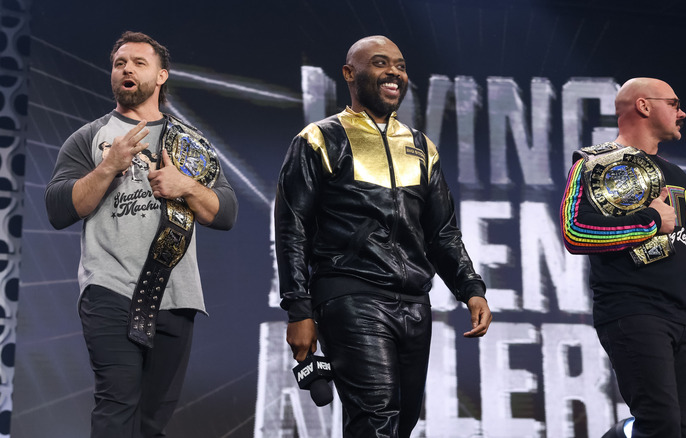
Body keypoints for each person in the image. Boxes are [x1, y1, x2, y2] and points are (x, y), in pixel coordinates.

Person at [275, 35, 492, 438]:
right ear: (349, 74)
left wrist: (471, 287)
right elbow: (292, 228)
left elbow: (442, 231)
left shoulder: (421, 146)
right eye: (379, 63)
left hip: (414, 304)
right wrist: (298, 309)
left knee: (400, 424)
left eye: (400, 65)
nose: (394, 72)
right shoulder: (319, 139)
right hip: (351, 296)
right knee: (375, 422)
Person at [45, 31, 237, 437]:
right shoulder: (89, 138)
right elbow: (59, 209)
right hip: (110, 288)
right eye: (119, 64)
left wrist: (185, 186)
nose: (127, 69)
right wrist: (108, 166)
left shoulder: (190, 143)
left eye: (138, 63)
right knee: (117, 405)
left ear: (162, 75)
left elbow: (225, 213)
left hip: (176, 294)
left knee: (152, 420)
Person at [560, 77, 686, 438]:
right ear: (644, 106)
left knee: (676, 429)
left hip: (683, 318)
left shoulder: (677, 176)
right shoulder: (593, 163)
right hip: (632, 310)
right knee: (660, 424)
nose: (682, 112)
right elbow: (575, 233)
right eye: (674, 103)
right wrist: (649, 221)